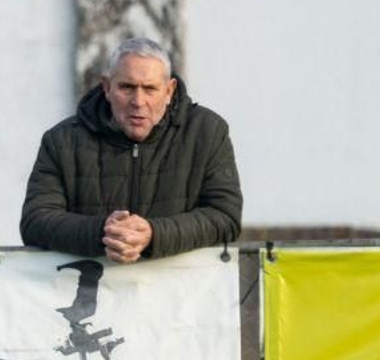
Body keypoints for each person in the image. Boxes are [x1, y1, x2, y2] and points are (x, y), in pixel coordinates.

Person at [20, 37, 241, 263]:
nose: (138, 101)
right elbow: (35, 221)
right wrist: (104, 232)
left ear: (169, 91)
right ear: (107, 87)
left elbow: (226, 217)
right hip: (87, 294)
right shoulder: (62, 141)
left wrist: (154, 235)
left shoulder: (207, 132)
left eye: (150, 89)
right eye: (127, 87)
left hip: (181, 295)